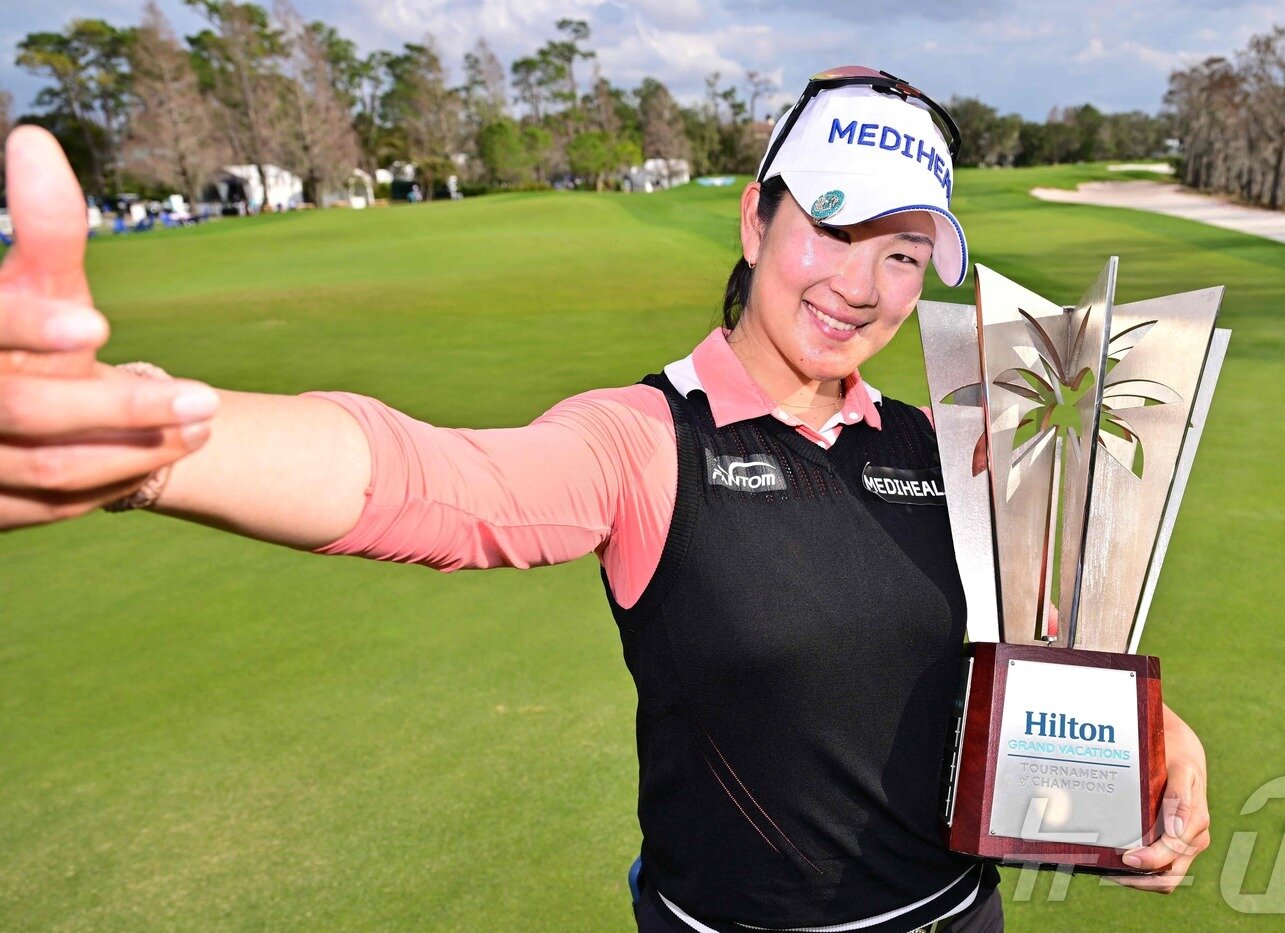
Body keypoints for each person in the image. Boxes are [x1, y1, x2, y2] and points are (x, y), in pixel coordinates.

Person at [0, 66, 1209, 932]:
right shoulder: (643, 439)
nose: (861, 285)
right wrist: (155, 442)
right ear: (754, 216)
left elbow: (1039, 649)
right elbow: (436, 482)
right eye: (833, 227)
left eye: (902, 253)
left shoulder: (943, 447)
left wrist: (1160, 744)